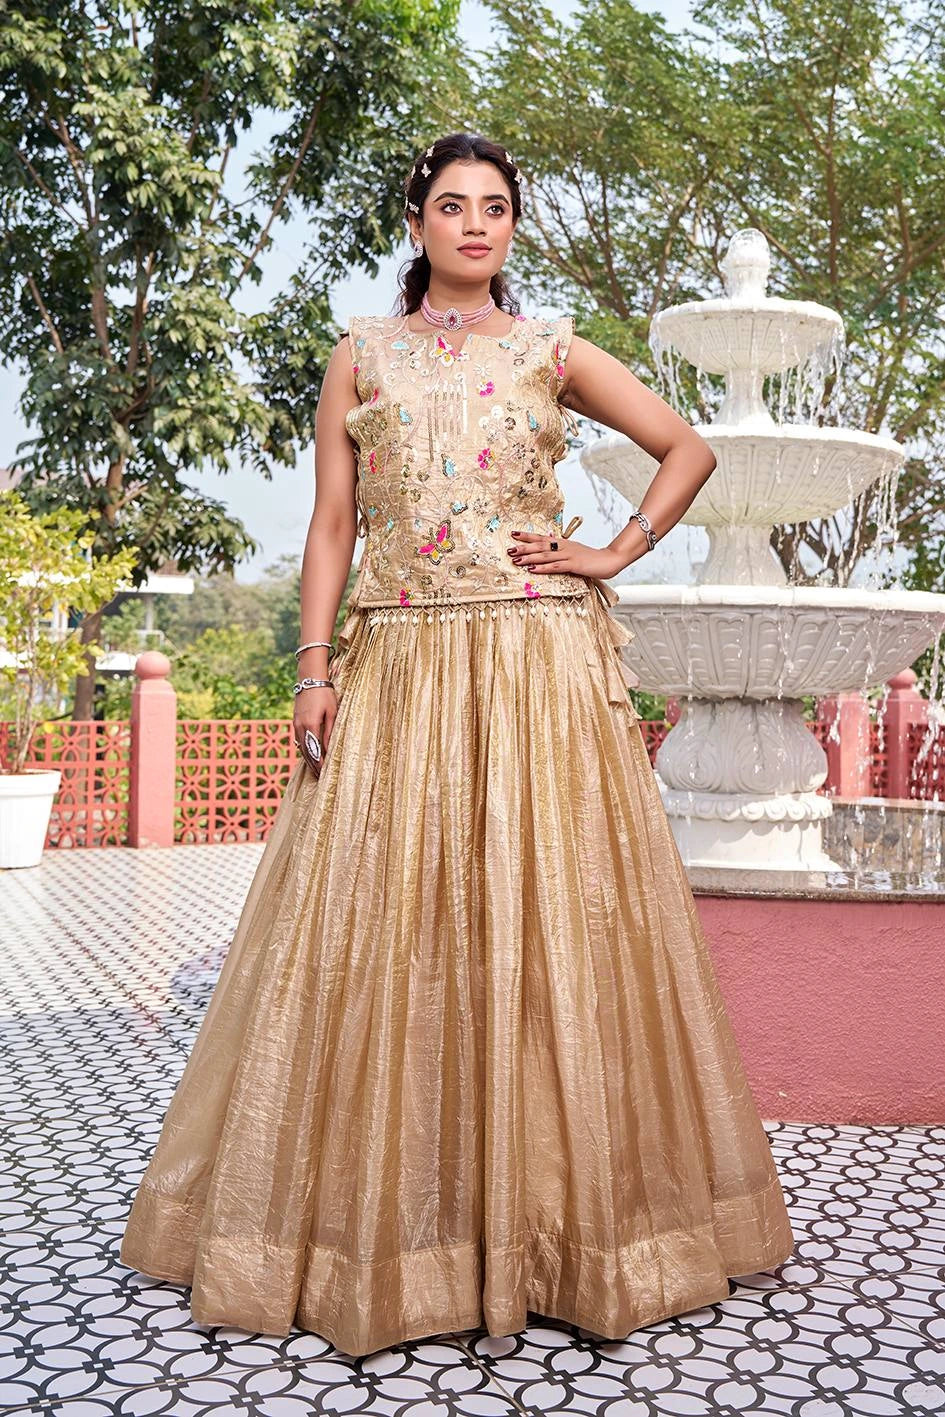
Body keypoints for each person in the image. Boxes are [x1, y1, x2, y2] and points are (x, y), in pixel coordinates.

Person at [119, 130, 794, 1356]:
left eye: (495, 208)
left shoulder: (552, 348)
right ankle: (395, 1232)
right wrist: (313, 666)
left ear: (511, 229)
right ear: (417, 223)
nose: (475, 224)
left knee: (548, 930)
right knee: (390, 929)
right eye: (451, 205)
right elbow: (333, 522)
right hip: (399, 663)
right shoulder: (359, 356)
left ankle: (559, 1231)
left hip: (536, 663)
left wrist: (612, 550)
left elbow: (687, 447)